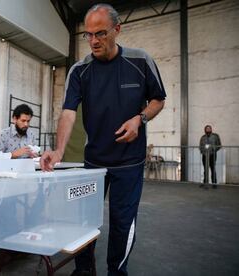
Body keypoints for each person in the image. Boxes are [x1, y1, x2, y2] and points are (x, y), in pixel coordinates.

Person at [40, 4, 166, 276]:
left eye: (100, 33)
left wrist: (139, 119)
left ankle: (116, 272)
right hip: (93, 164)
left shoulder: (141, 61)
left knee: (122, 222)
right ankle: (84, 270)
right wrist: (59, 150)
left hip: (129, 164)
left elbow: (158, 100)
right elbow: (68, 112)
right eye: (88, 35)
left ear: (117, 30)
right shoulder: (79, 71)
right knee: (82, 220)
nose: (94, 41)